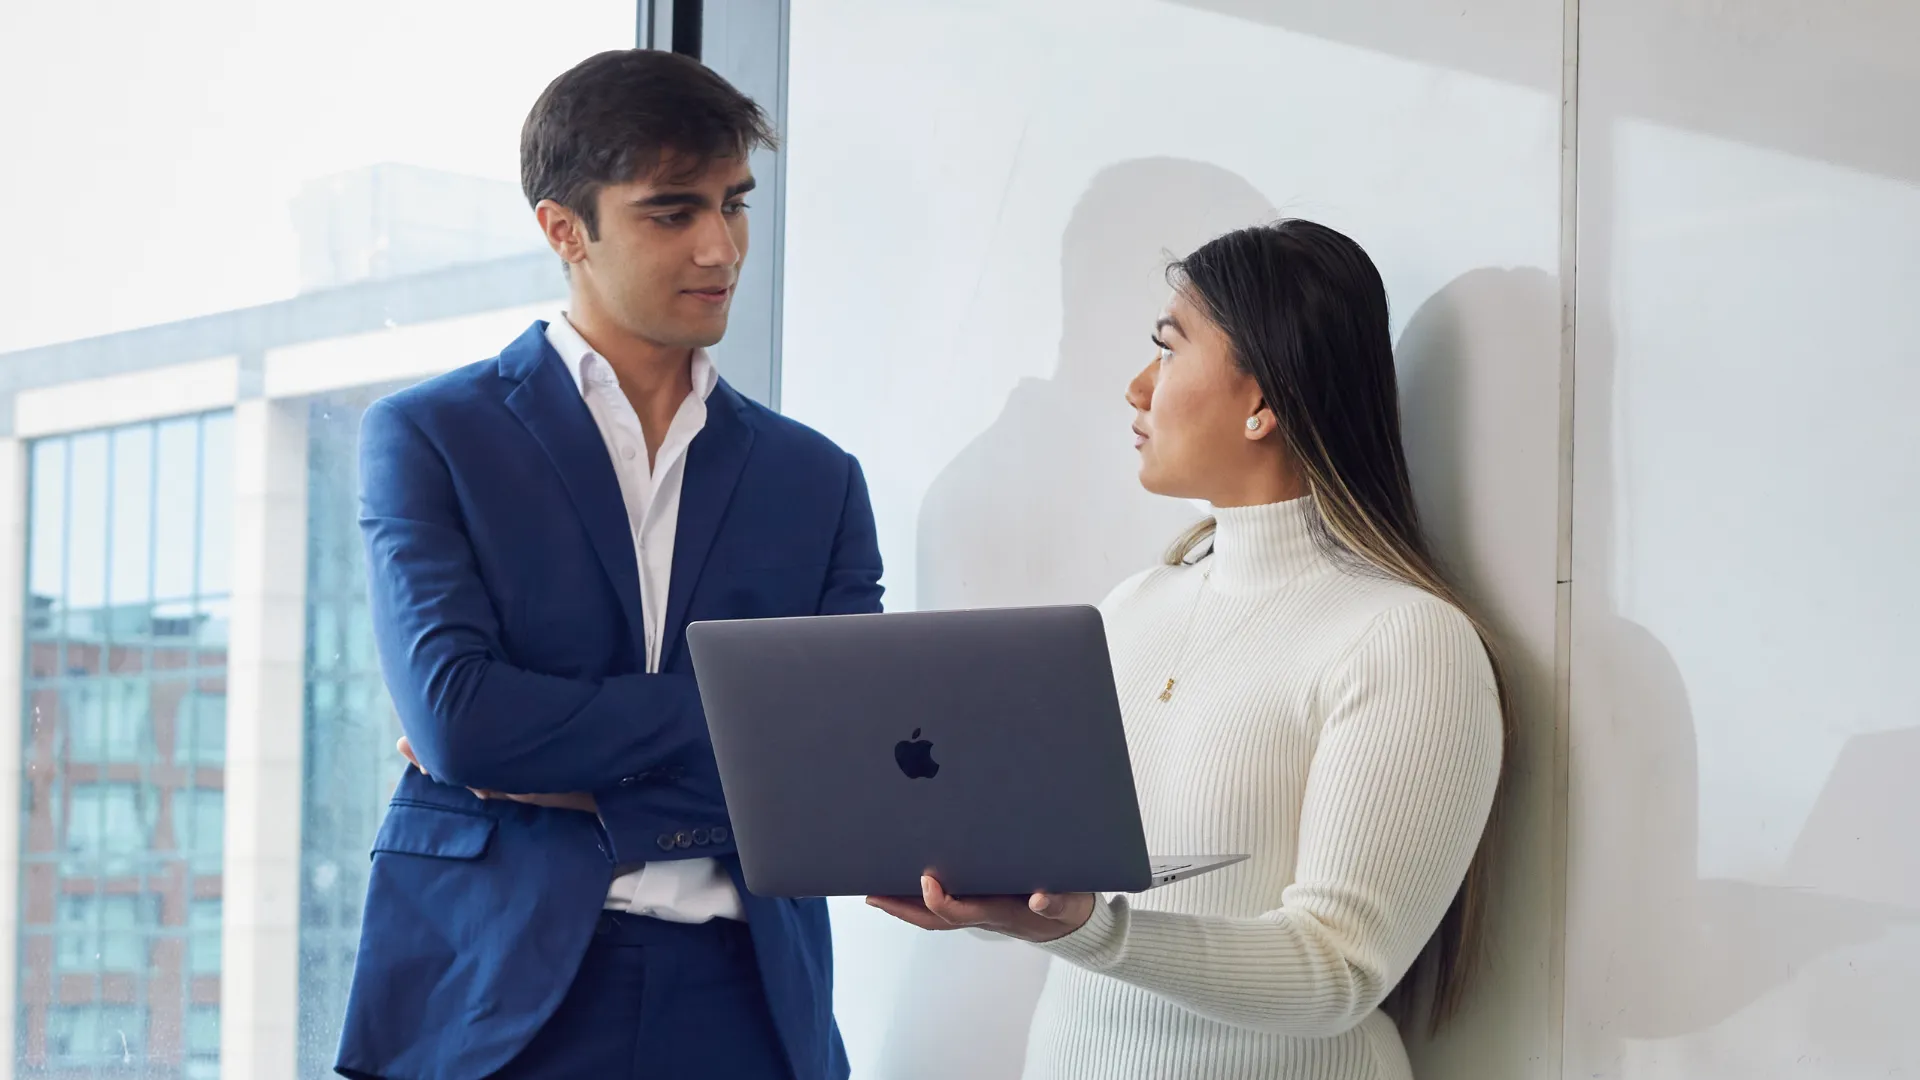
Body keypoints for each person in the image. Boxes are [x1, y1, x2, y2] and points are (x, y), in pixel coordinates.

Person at [333, 50, 880, 1080]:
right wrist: (741, 720)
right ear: (563, 229)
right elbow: (462, 721)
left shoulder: (818, 482)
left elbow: (841, 772)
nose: (721, 246)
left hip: (750, 1006)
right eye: (671, 213)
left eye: (734, 203)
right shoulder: (430, 436)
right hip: (490, 1000)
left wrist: (578, 778)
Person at [869, 219, 1510, 1079]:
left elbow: (1338, 971)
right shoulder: (1132, 606)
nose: (1137, 387)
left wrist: (1093, 929)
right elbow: (1063, 885)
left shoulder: (1405, 641)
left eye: (1168, 350)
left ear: (1263, 402)